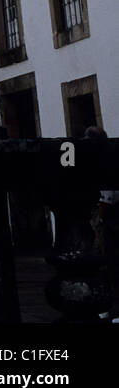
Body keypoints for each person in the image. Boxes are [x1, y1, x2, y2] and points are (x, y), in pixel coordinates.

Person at [85, 126, 119, 322]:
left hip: (111, 221)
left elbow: (109, 196)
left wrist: (100, 218)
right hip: (110, 219)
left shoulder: (106, 160)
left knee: (110, 265)